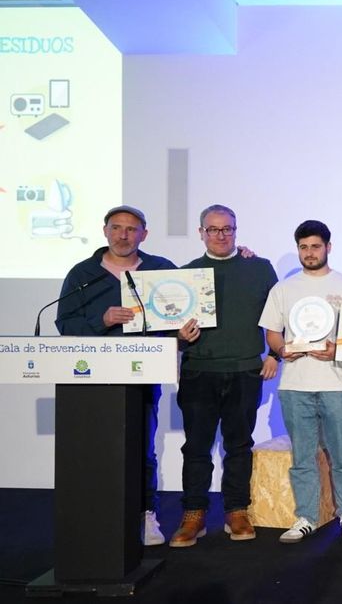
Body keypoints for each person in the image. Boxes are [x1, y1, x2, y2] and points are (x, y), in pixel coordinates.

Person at [55, 205, 178, 546]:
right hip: (92, 379)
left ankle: (145, 515)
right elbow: (65, 324)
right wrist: (103, 320)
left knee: (143, 448)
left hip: (142, 374)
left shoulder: (160, 269)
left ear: (144, 234)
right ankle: (98, 517)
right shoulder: (83, 274)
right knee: (97, 449)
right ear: (105, 230)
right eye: (117, 228)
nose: (124, 235)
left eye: (131, 229)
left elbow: (182, 313)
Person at [171, 204, 278, 548]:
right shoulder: (184, 275)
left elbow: (279, 317)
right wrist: (178, 337)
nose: (221, 235)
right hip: (199, 371)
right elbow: (166, 327)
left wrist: (275, 354)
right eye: (213, 229)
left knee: (239, 446)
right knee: (197, 448)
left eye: (227, 229)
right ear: (201, 232)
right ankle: (194, 514)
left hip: (245, 371)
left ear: (236, 230)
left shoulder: (259, 268)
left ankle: (236, 510)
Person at [259, 220, 342, 543]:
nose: (309, 253)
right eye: (303, 247)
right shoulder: (284, 289)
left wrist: (336, 349)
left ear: (328, 248)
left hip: (335, 382)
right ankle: (306, 516)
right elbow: (272, 331)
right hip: (294, 384)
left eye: (315, 246)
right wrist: (280, 349)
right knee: (302, 456)